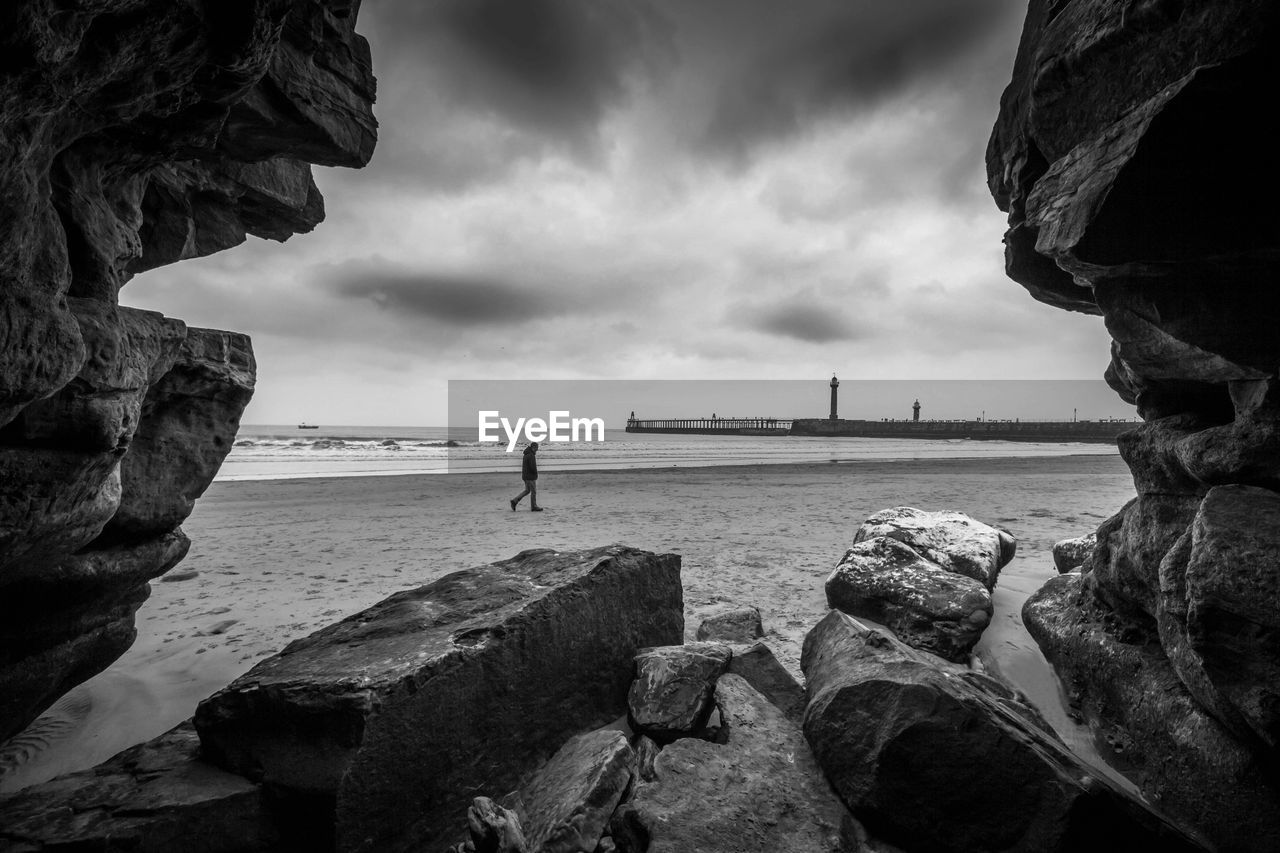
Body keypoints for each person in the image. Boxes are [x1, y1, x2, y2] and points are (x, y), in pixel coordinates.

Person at [510, 442, 543, 511]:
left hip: (525, 476)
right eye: (536, 448)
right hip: (530, 476)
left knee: (527, 490)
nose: (537, 449)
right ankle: (534, 506)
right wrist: (535, 474)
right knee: (533, 491)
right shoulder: (531, 455)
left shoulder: (526, 454)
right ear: (533, 447)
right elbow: (532, 467)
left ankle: (515, 501)